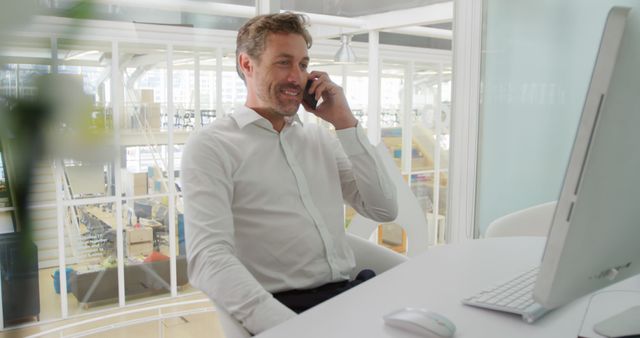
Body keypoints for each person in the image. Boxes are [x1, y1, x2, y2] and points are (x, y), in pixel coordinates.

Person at [182, 12, 398, 335]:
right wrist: (293, 330)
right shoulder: (212, 146)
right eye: (283, 62)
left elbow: (383, 208)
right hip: (288, 310)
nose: (297, 78)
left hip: (351, 296)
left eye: (302, 64)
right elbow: (208, 259)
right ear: (247, 64)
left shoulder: (318, 138)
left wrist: (345, 123)